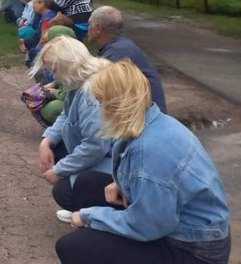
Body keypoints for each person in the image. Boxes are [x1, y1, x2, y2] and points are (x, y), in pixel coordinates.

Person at [57, 60, 230, 264]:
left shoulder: (148, 150)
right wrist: (120, 183)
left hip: (193, 249)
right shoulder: (155, 121)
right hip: (181, 224)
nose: (98, 107)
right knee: (88, 183)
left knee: (72, 247)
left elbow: (148, 225)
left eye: (100, 101)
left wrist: (89, 217)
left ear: (115, 104)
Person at [30, 36, 114, 221]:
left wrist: (59, 170)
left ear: (67, 65)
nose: (53, 76)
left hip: (113, 161)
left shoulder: (91, 94)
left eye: (54, 69)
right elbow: (66, 115)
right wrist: (46, 141)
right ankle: (87, 201)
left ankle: (95, 212)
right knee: (55, 147)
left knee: (63, 192)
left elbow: (96, 146)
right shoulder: (78, 82)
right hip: (105, 153)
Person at [87, 6, 167, 113]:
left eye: (89, 24)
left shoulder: (117, 53)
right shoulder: (119, 46)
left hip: (146, 118)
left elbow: (94, 89)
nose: (87, 28)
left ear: (98, 28)